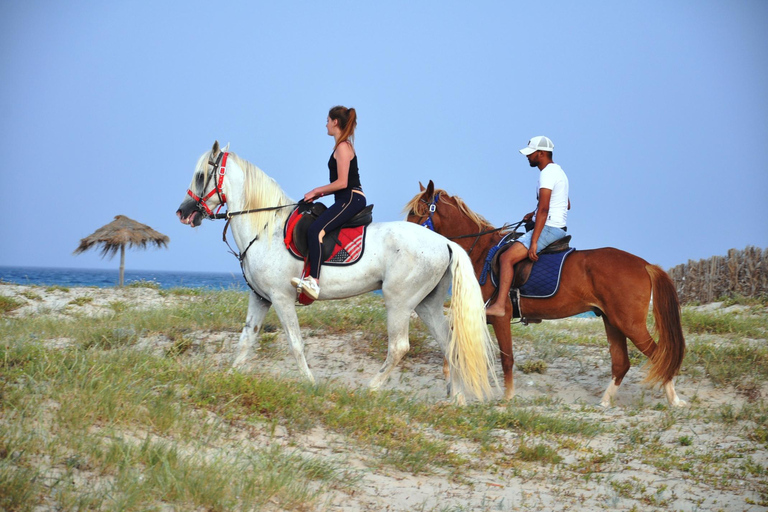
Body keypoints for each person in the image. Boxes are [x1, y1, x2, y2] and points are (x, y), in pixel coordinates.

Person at [485, 136, 570, 317]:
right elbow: (566, 203)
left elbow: (545, 209)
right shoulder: (559, 172)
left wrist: (534, 241)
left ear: (541, 153)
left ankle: (500, 305)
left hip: (549, 228)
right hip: (557, 225)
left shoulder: (547, 173)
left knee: (506, 258)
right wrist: (533, 212)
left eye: (531, 153)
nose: (528, 157)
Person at [291, 106, 367, 299]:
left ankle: (313, 282)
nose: (325, 124)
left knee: (316, 230)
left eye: (327, 120)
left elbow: (342, 182)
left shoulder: (343, 147)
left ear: (335, 122)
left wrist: (317, 191)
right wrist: (318, 195)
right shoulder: (341, 145)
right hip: (345, 198)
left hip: (351, 198)